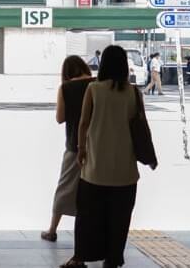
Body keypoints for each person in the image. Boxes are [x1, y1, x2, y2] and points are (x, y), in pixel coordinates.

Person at [67, 45, 141, 268]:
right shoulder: (134, 92)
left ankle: (80, 258)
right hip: (125, 169)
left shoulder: (94, 89)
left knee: (88, 216)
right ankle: (113, 258)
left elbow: (83, 123)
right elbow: (141, 126)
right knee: (119, 218)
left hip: (95, 166)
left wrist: (81, 149)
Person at [42, 56, 95, 243]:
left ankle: (52, 230)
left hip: (74, 144)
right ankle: (95, 230)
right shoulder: (97, 84)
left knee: (65, 186)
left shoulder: (66, 88)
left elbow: (60, 118)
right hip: (97, 145)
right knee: (94, 190)